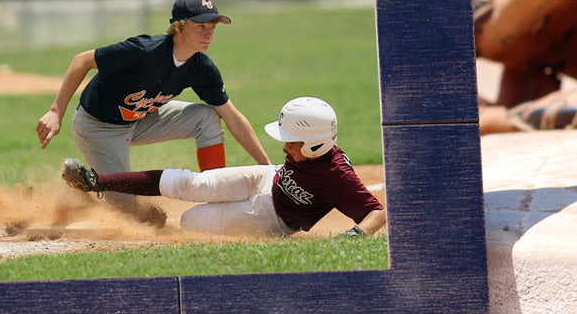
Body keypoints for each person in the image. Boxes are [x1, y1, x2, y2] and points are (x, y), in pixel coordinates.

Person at [36, 0, 270, 213]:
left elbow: (234, 119)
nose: (209, 34)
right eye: (200, 26)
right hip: (98, 127)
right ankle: (80, 192)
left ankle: (217, 195)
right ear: (178, 26)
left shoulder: (201, 68)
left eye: (212, 27)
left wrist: (268, 169)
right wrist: (55, 112)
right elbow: (82, 60)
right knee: (126, 210)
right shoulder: (144, 51)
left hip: (140, 118)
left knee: (206, 116)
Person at [60, 97, 386, 238]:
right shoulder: (305, 150)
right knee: (192, 184)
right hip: (266, 178)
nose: (285, 146)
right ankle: (95, 180)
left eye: (293, 142)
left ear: (316, 144)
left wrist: (356, 235)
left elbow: (377, 212)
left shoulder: (337, 176)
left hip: (274, 219)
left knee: (191, 221)